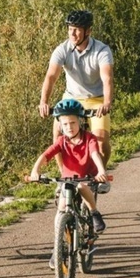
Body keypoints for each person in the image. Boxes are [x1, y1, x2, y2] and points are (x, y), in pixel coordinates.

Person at [29, 98, 109, 269]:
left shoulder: (89, 139)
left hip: (86, 177)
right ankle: (58, 247)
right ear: (60, 125)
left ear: (80, 121)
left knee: (81, 187)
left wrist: (101, 171)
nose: (69, 127)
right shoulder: (62, 141)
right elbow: (45, 156)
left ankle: (94, 213)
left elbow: (95, 154)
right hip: (67, 179)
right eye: (64, 124)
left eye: (73, 122)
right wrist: (35, 171)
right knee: (61, 210)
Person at [39, 10, 114, 166]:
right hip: (71, 98)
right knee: (58, 136)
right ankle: (64, 176)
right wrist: (43, 102)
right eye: (70, 29)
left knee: (101, 141)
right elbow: (51, 77)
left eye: (77, 29)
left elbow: (107, 78)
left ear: (88, 31)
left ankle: (100, 174)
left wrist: (107, 102)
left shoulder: (101, 50)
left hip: (96, 99)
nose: (72, 33)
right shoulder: (62, 49)